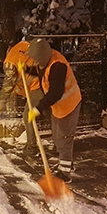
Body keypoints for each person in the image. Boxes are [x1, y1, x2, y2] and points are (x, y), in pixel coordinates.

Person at [26, 38, 81, 182]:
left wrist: (38, 108)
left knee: (64, 137)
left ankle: (65, 173)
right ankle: (67, 162)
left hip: (68, 104)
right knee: (57, 137)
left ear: (42, 57)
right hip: (58, 105)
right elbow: (41, 73)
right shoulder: (46, 60)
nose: (34, 62)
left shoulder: (58, 66)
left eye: (36, 60)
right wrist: (25, 69)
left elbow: (55, 93)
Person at [0, 40, 45, 158]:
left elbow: (8, 84)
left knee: (28, 116)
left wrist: (1, 101)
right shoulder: (21, 45)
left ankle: (32, 148)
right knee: (51, 114)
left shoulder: (10, 61)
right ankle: (59, 144)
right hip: (45, 79)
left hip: (37, 86)